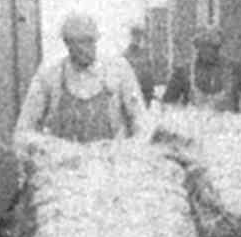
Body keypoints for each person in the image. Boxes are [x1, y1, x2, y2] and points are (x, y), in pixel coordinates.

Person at [16, 11, 148, 143]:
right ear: (67, 44)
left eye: (89, 41)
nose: (84, 49)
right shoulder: (49, 74)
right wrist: (51, 145)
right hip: (63, 155)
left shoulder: (118, 70)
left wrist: (125, 147)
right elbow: (23, 132)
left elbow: (142, 124)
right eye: (77, 43)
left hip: (110, 154)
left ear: (96, 40)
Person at [163, 27, 241, 113]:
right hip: (194, 121)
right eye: (205, 46)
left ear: (219, 47)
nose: (210, 51)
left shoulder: (235, 69)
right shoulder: (183, 72)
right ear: (198, 48)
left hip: (228, 121)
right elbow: (168, 105)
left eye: (214, 47)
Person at [123, 25, 157, 105]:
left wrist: (151, 89)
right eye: (135, 35)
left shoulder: (144, 53)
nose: (137, 38)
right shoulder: (126, 55)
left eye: (139, 35)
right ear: (131, 37)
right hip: (134, 91)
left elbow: (149, 71)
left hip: (146, 90)